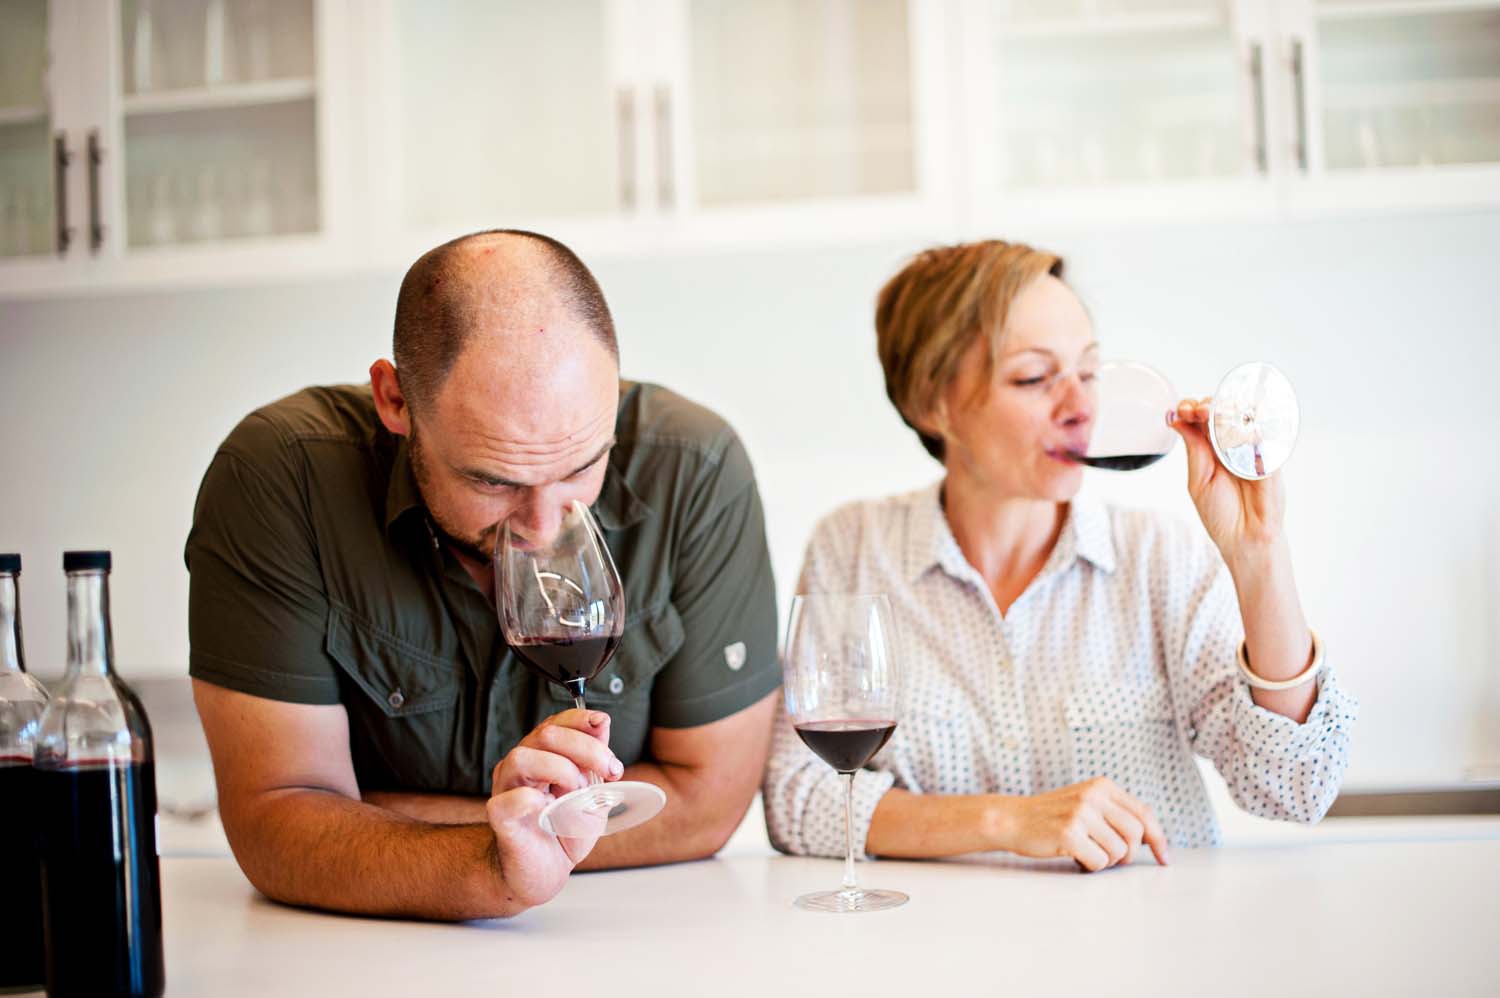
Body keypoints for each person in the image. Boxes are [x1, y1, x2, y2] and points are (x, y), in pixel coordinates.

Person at [186, 230, 779, 919]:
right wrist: (492, 858)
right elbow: (278, 821)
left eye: (582, 466)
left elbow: (706, 805)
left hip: (629, 937)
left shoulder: (695, 468)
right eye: (494, 481)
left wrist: (375, 819)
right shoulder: (281, 478)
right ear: (395, 400)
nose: (544, 525)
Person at [763, 239, 1358, 871]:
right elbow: (799, 798)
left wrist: (1258, 553)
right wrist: (1004, 821)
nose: (1081, 408)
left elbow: (1296, 788)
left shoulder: (1158, 558)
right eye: (1033, 378)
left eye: (1089, 373)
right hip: (939, 933)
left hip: (1148, 930)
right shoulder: (853, 548)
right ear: (932, 403)